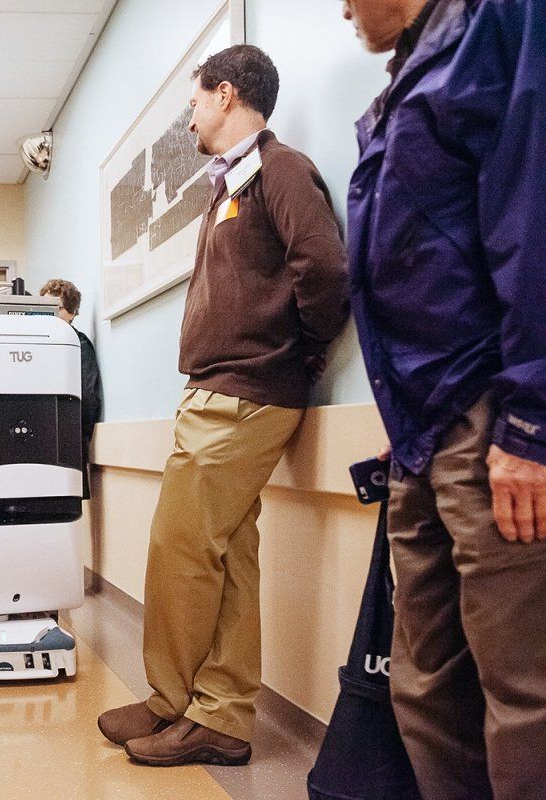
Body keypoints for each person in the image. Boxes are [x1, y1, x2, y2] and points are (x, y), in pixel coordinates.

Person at [97, 46, 350, 766]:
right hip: (220, 391)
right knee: (229, 557)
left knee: (177, 549)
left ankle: (171, 699)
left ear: (227, 95)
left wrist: (297, 352)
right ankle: (223, 714)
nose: (190, 113)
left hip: (247, 391)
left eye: (196, 99)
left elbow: (326, 269)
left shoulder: (281, 169)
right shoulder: (231, 184)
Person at [340, 2, 546, 797]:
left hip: (493, 417)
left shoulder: (500, 24)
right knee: (422, 687)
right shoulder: (397, 86)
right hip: (422, 429)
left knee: (523, 694)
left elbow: (530, 223)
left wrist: (531, 424)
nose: (343, 7)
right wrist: (400, 420)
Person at [39, 280, 103, 498]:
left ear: (72, 312)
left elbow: (88, 399)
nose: (49, 316)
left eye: (55, 309)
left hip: (65, 440)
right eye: (44, 309)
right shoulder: (32, 343)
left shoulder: (78, 344)